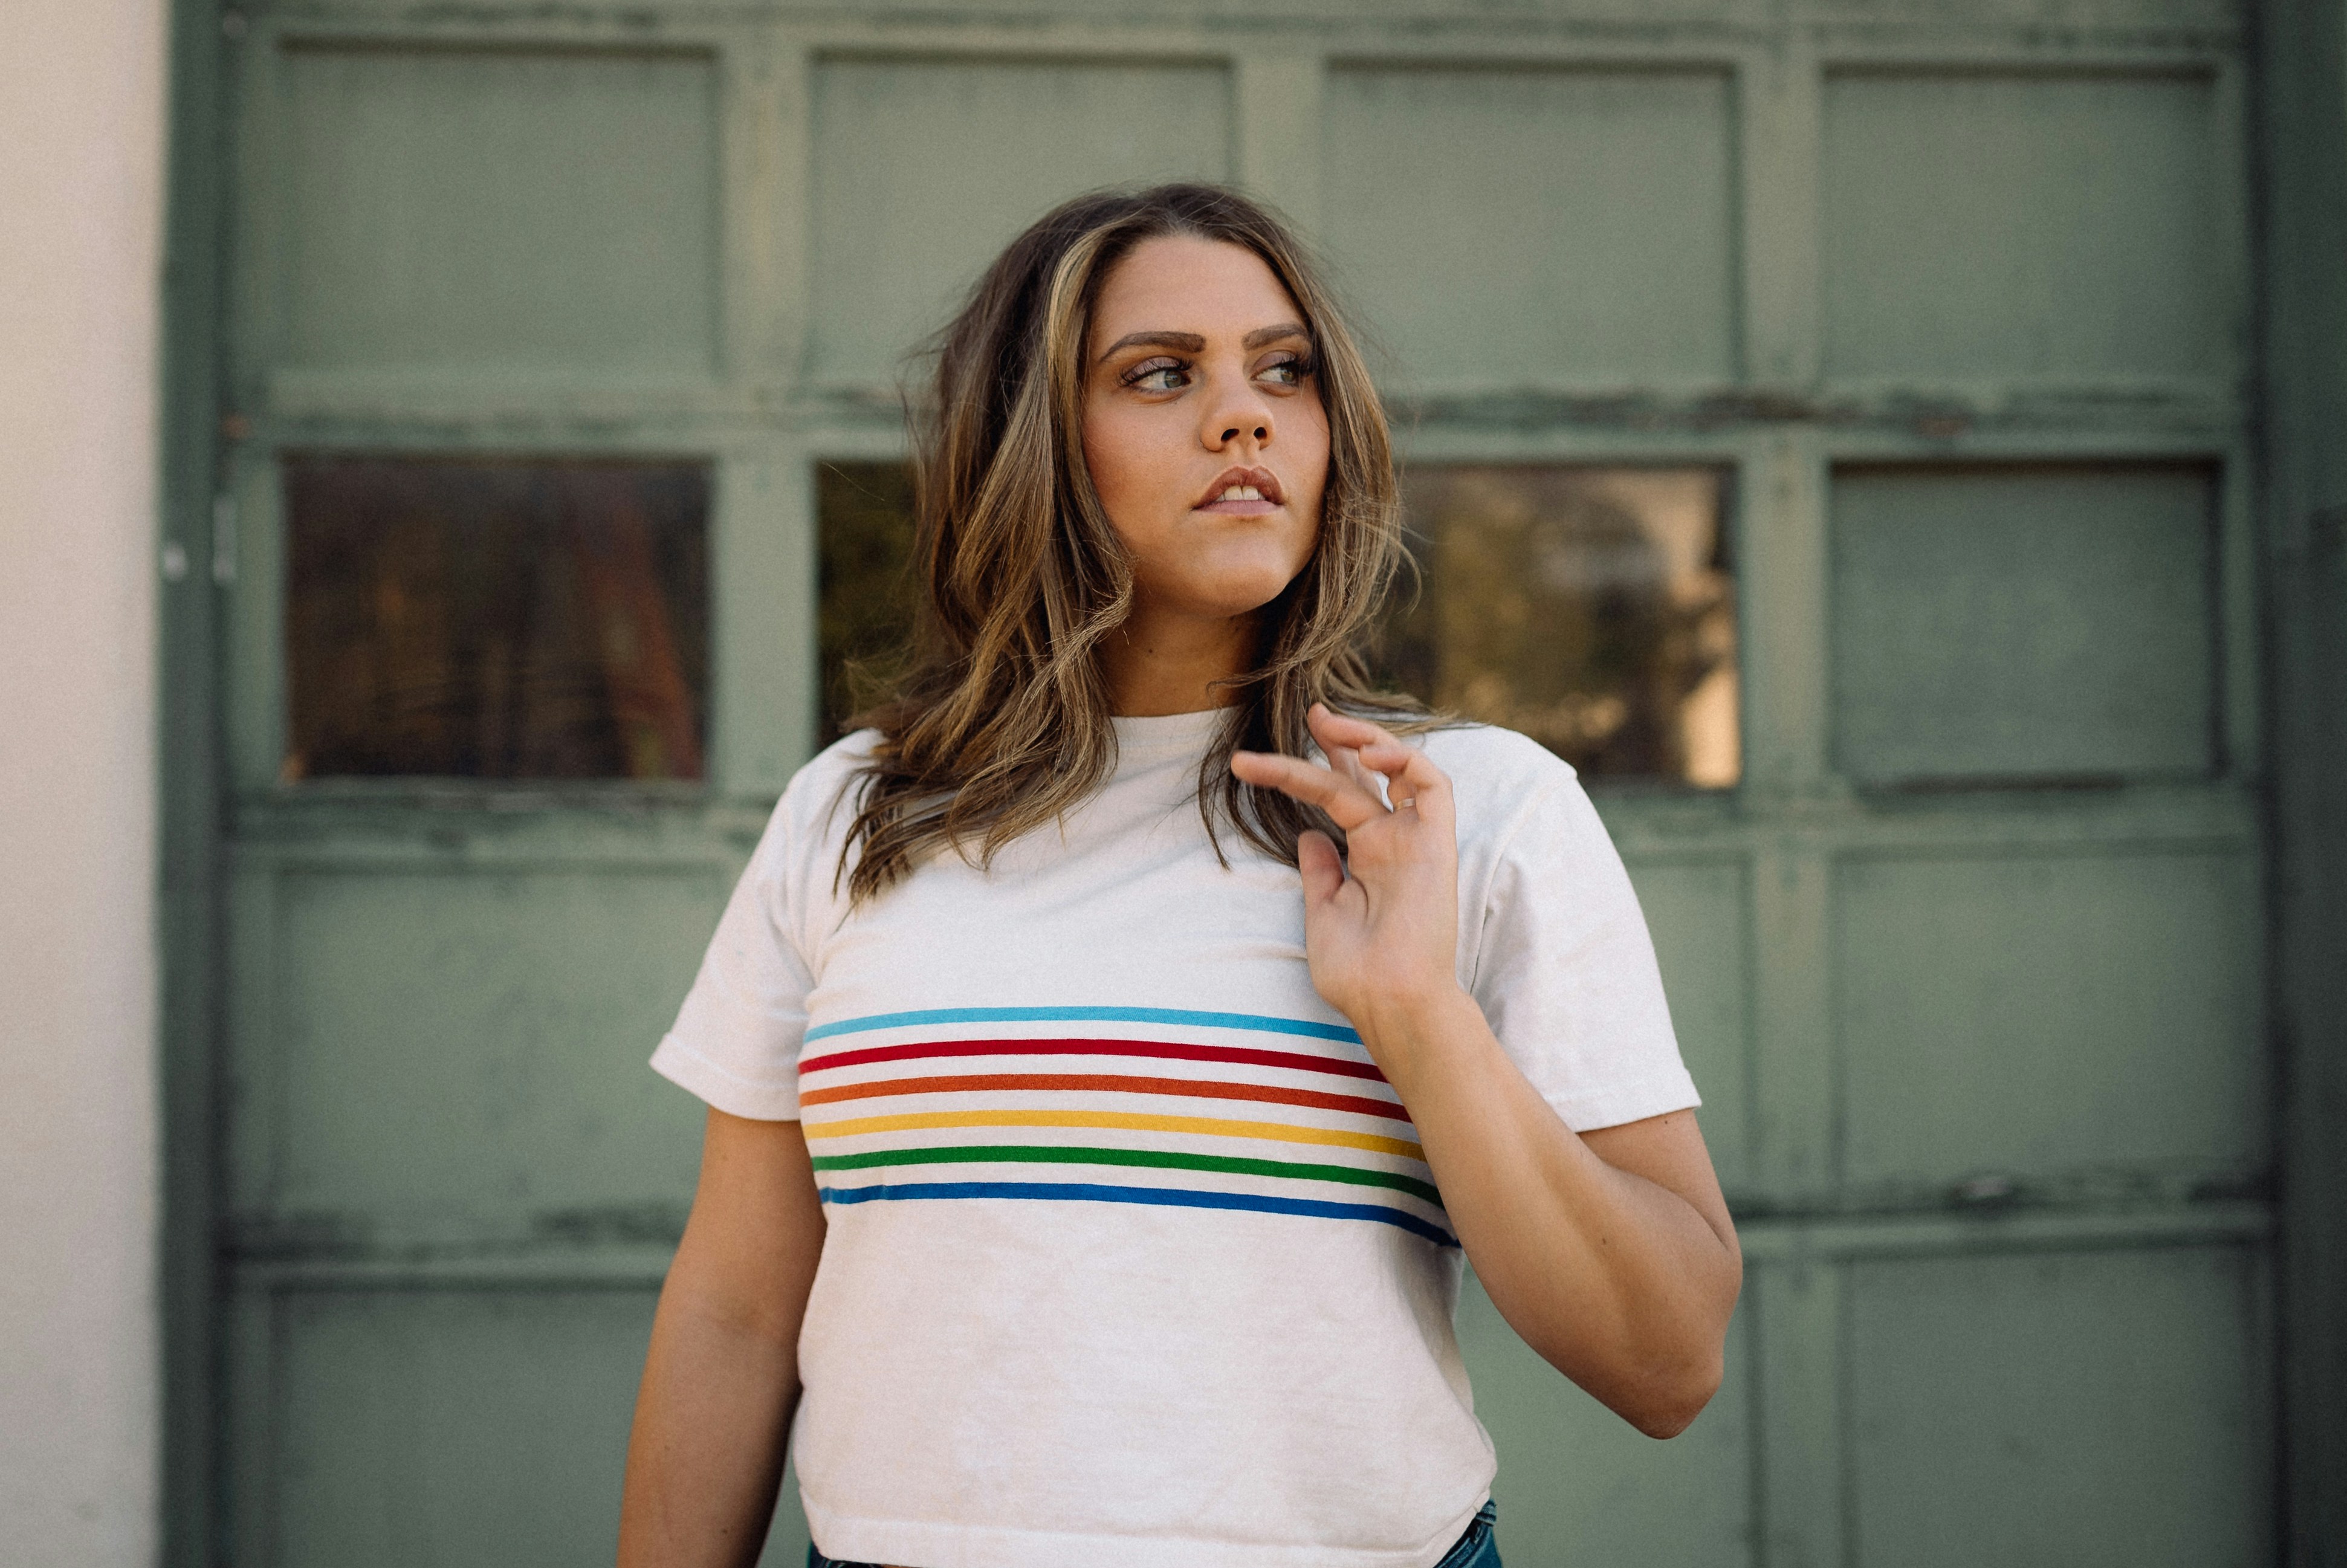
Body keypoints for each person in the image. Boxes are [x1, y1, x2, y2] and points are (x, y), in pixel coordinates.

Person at [617, 183, 1741, 1568]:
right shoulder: (861, 810)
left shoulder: (1470, 814)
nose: (1243, 416)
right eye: (1160, 374)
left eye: (1284, 372)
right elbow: (734, 1313)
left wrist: (1420, 1019)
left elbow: (1670, 1359)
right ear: (1030, 443)